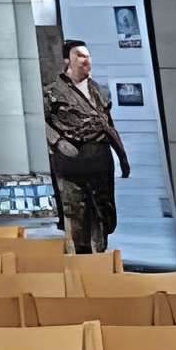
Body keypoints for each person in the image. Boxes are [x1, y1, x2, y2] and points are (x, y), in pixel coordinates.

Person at [42, 38, 131, 254]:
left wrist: (122, 158)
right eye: (79, 55)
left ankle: (99, 257)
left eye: (87, 55)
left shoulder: (97, 90)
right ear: (67, 61)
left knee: (103, 212)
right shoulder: (52, 92)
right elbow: (41, 123)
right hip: (72, 161)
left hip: (99, 159)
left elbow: (108, 124)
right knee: (75, 213)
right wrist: (58, 141)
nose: (85, 60)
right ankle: (80, 264)